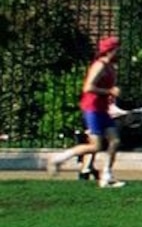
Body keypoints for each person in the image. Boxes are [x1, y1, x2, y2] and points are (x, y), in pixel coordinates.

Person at [46, 35, 125, 188]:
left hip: (102, 109)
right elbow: (88, 87)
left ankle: (106, 175)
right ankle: (58, 158)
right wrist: (109, 91)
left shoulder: (110, 66)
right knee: (95, 146)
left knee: (115, 140)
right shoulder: (99, 65)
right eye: (117, 48)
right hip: (93, 108)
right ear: (111, 50)